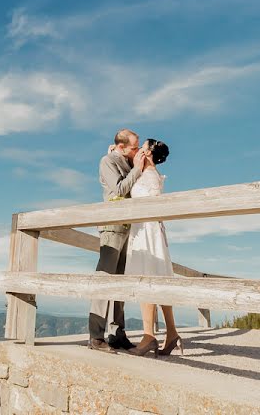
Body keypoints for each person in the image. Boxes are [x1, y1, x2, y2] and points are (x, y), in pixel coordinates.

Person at [89, 128, 149, 353]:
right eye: (134, 147)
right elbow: (118, 191)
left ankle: (116, 333)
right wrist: (137, 169)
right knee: (105, 280)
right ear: (121, 147)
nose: (137, 150)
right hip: (112, 228)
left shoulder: (125, 159)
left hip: (128, 229)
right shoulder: (107, 161)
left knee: (121, 282)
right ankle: (96, 337)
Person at [123, 139, 182, 357]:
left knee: (146, 278)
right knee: (159, 278)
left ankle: (149, 336)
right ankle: (172, 332)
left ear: (147, 153)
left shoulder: (148, 177)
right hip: (150, 230)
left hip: (147, 231)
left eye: (141, 148)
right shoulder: (148, 173)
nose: (137, 151)